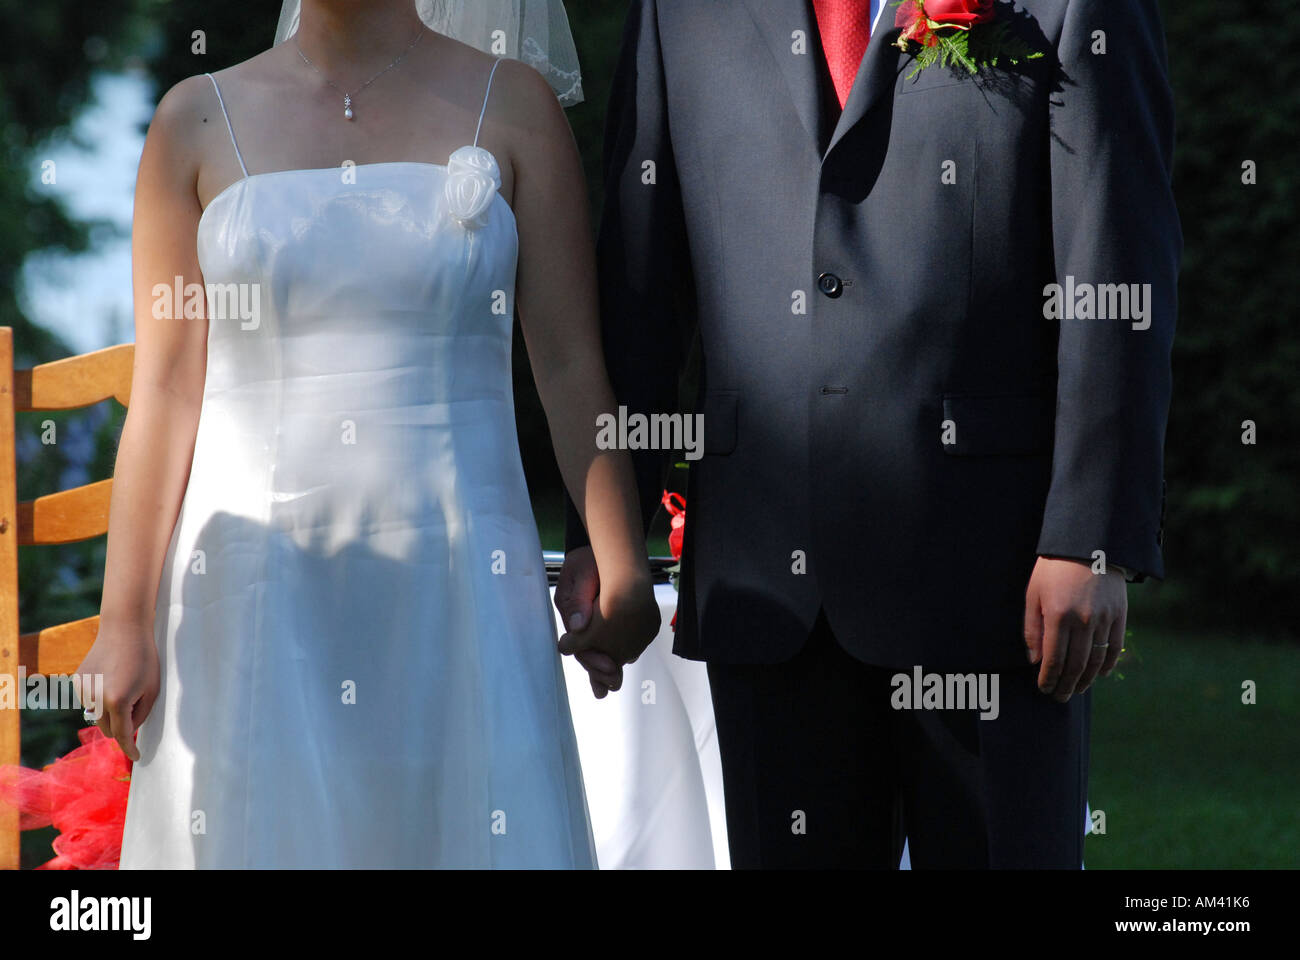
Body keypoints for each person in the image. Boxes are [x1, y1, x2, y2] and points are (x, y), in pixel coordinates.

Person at [557, 0, 1179, 868]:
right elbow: (641, 285)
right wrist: (609, 530)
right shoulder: (679, 11)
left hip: (994, 585)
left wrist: (1091, 536)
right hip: (769, 586)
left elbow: (1114, 258)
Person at [80, 0, 659, 868]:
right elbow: (164, 390)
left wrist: (623, 559)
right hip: (249, 594)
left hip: (462, 582)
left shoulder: (515, 106)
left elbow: (571, 363)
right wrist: (121, 619)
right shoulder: (192, 119)